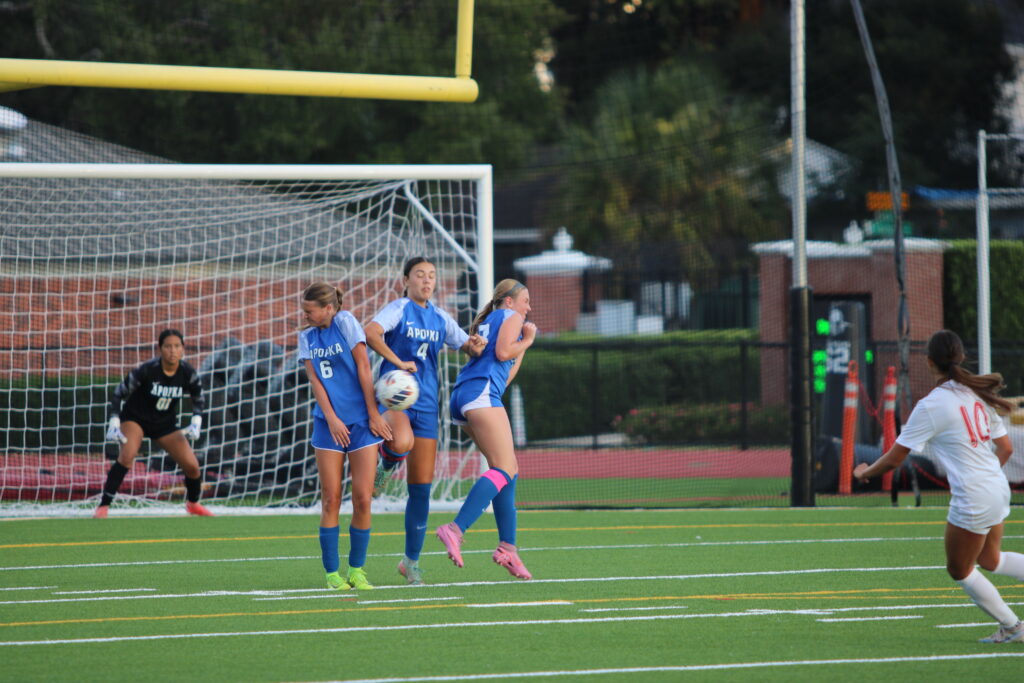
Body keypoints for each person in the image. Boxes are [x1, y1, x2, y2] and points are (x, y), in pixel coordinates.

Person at [854, 329, 1024, 644]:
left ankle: (1014, 628)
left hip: (975, 496)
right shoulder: (978, 394)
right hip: (997, 487)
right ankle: (1013, 628)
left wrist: (865, 473)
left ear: (930, 362)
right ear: (961, 357)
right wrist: (986, 477)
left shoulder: (932, 404)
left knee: (960, 569)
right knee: (991, 560)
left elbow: (895, 458)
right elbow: (1006, 449)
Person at [364, 257, 485, 585]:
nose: (427, 280)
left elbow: (467, 346)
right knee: (401, 442)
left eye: (431, 275)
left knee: (420, 491)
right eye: (420, 275)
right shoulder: (398, 309)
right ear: (406, 280)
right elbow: (371, 333)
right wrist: (398, 362)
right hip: (396, 398)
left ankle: (410, 562)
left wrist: (476, 345)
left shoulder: (440, 317)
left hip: (428, 406)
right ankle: (385, 467)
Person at [435, 279, 537, 580]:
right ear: (509, 301)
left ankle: (508, 548)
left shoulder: (493, 320)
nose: (529, 307)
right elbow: (504, 353)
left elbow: (505, 371)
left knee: (507, 470)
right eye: (525, 300)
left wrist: (523, 345)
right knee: (504, 468)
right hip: (480, 394)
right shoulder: (511, 315)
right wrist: (528, 341)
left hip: (464, 396)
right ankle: (454, 529)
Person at [298, 281, 392, 591]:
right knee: (331, 499)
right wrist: (332, 419)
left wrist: (373, 414)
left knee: (363, 498)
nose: (305, 316)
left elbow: (364, 366)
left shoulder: (346, 322)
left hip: (362, 422)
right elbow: (315, 381)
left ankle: (357, 571)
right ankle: (331, 575)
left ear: (328, 308)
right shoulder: (306, 337)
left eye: (309, 311)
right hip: (329, 425)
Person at [95, 328, 212, 518]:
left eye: (177, 346)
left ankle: (193, 504)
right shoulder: (148, 369)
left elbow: (199, 398)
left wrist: (196, 422)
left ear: (183, 349)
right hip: (135, 419)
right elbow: (119, 393)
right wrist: (114, 420)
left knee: (192, 465)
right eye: (168, 346)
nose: (173, 351)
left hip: (164, 424)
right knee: (127, 456)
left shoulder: (187, 372)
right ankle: (104, 506)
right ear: (160, 349)